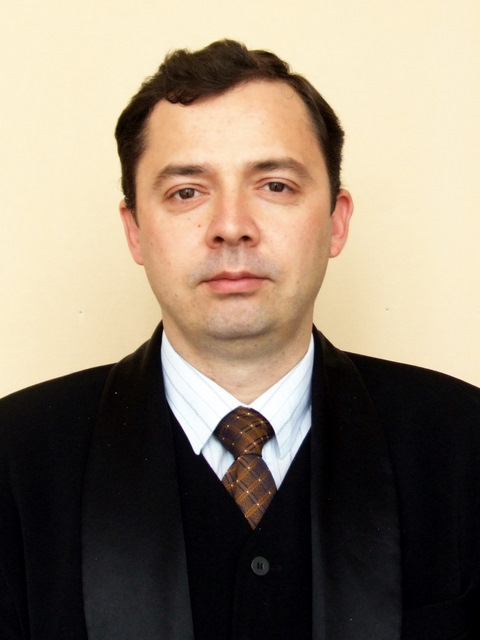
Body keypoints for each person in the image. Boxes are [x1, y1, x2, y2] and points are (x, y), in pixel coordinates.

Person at [0, 39, 479, 640]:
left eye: (275, 185)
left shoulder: (464, 444)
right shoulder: (14, 460)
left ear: (336, 221)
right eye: (186, 192)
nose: (231, 227)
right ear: (135, 231)